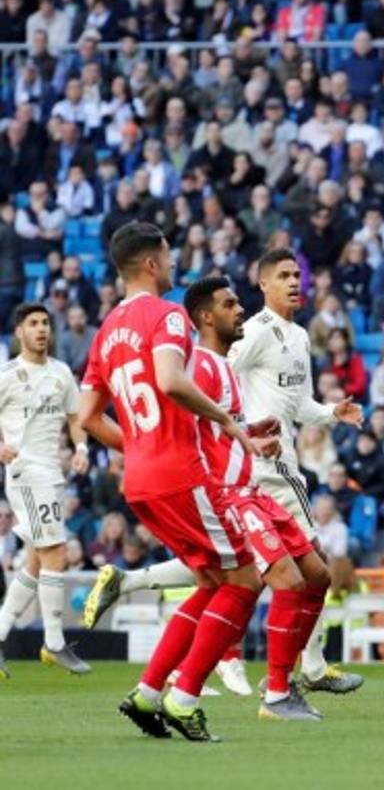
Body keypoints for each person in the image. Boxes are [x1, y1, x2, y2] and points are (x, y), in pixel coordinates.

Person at [86, 277, 334, 720]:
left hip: (251, 487)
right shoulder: (196, 365)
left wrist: (252, 437)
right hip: (225, 495)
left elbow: (213, 431)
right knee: (274, 582)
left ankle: (155, 687)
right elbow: (183, 435)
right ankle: (275, 692)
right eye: (230, 304)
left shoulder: (223, 367)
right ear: (206, 316)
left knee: (315, 575)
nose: (240, 310)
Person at [77, 222, 261, 742]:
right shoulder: (169, 315)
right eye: (169, 254)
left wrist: (136, 446)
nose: (174, 263)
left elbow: (87, 416)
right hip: (181, 472)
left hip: (140, 479)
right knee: (247, 578)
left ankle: (149, 693)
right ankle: (184, 700)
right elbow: (171, 380)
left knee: (210, 580)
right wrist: (227, 423)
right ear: (153, 263)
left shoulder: (107, 330)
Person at [225, 248, 366, 693]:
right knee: (314, 564)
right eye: (283, 275)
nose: (293, 282)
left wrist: (331, 412)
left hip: (266, 459)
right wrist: (239, 428)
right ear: (262, 284)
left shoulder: (300, 336)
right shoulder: (255, 331)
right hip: (272, 464)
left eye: (296, 275)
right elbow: (217, 371)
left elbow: (298, 403)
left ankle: (133, 582)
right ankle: (312, 666)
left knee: (238, 568)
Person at [0, 303, 93, 678]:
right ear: (20, 332)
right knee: (55, 551)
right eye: (33, 324)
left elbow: (75, 417)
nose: (41, 329)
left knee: (37, 559)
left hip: (53, 473)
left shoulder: (60, 373)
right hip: (25, 471)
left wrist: (83, 448)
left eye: (45, 324)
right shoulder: (7, 375)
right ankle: (54, 642)